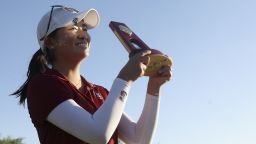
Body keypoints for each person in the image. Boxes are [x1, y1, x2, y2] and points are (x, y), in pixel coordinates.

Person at [12, 5, 172, 144]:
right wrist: (125, 79)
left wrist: (154, 88)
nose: (83, 34)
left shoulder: (101, 93)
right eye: (74, 27)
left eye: (85, 28)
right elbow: (98, 135)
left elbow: (139, 140)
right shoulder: (43, 85)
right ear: (50, 42)